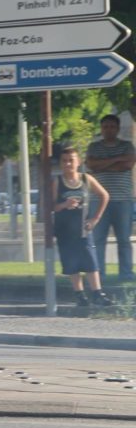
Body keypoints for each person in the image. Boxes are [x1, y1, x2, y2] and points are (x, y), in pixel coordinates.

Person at [53, 147, 114, 307]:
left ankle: (97, 293)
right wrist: (64, 204)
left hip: (83, 228)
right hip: (65, 229)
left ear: (78, 162)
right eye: (64, 161)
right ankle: (79, 295)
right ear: (60, 163)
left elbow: (104, 195)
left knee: (90, 261)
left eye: (71, 160)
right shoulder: (57, 182)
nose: (68, 164)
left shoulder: (86, 179)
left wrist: (95, 218)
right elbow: (51, 206)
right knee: (71, 263)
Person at [85, 114, 135, 281]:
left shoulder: (127, 146)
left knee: (124, 240)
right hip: (97, 201)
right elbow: (91, 165)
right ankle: (99, 274)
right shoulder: (94, 147)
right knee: (98, 239)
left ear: (118, 128)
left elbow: (128, 164)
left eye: (112, 126)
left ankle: (126, 274)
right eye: (105, 126)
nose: (108, 130)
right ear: (101, 128)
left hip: (123, 200)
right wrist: (116, 161)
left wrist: (103, 164)